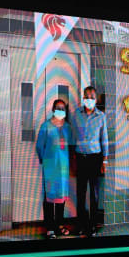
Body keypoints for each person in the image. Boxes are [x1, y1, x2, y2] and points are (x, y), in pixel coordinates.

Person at [71, 86, 108, 237]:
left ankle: (92, 225)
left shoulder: (101, 116)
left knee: (94, 194)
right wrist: (72, 159)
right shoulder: (76, 114)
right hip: (80, 157)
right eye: (86, 96)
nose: (89, 99)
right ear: (83, 97)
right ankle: (81, 224)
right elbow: (72, 136)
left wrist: (104, 161)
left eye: (92, 97)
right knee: (80, 193)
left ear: (96, 99)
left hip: (95, 159)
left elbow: (104, 139)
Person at [36, 99, 74, 239]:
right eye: (58, 108)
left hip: (63, 169)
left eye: (63, 108)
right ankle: (50, 228)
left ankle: (59, 225)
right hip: (50, 168)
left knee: (61, 197)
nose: (60, 110)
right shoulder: (46, 126)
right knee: (49, 197)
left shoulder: (67, 127)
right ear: (53, 109)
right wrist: (45, 160)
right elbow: (39, 146)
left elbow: (71, 146)